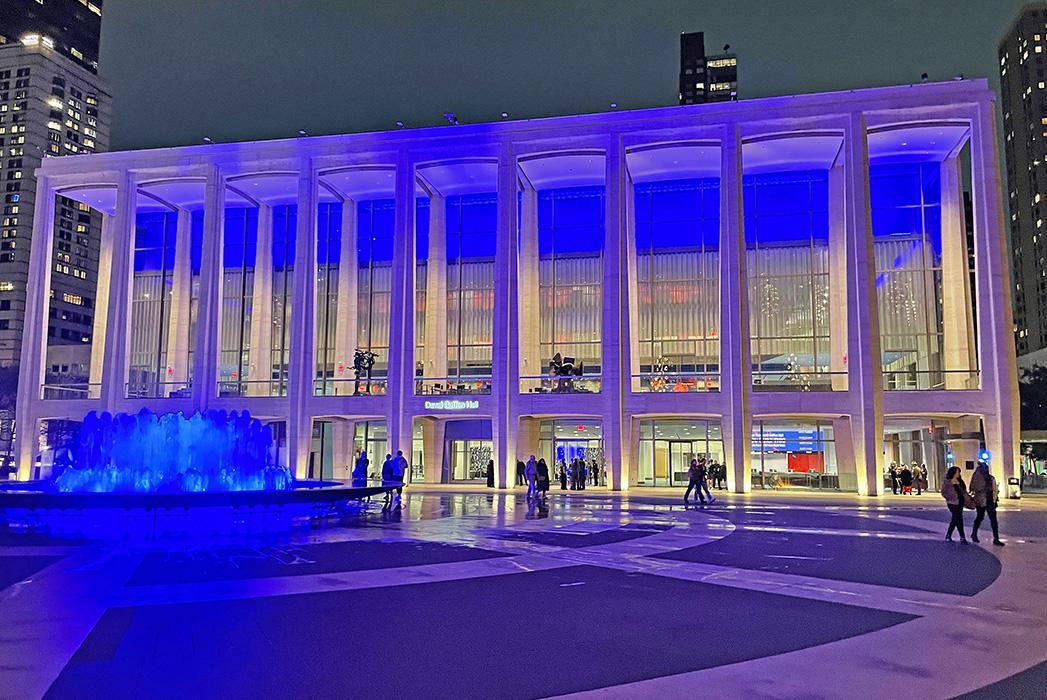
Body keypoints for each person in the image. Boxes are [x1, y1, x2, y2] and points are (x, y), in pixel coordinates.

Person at [970, 461, 1005, 546]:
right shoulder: (977, 478)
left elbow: (994, 489)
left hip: (990, 500)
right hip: (982, 500)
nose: (986, 470)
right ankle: (974, 534)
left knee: (993, 520)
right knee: (980, 517)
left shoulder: (990, 478)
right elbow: (973, 488)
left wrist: (995, 495)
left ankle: (996, 538)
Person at [941, 465, 969, 543]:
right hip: (952, 503)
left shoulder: (960, 481)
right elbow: (943, 492)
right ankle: (962, 537)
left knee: (955, 519)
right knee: (958, 519)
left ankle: (949, 535)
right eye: (957, 472)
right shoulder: (947, 482)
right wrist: (950, 497)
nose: (958, 474)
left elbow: (963, 491)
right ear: (953, 472)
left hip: (960, 502)